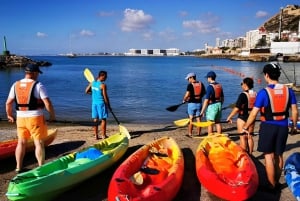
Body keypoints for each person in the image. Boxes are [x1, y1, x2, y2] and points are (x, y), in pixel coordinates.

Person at [242, 63, 298, 190]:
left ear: (266, 75)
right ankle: (276, 182)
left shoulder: (263, 93)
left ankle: (271, 185)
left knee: (268, 156)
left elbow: (253, 114)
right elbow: (294, 111)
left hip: (268, 127)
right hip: (283, 126)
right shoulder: (289, 91)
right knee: (279, 155)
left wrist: (246, 127)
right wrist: (294, 127)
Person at [6, 64, 56, 173]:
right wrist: (52, 116)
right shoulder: (38, 85)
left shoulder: (15, 85)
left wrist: (9, 115)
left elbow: (8, 103)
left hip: (20, 118)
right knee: (39, 143)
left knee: (21, 143)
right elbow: (47, 103)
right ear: (33, 73)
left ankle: (18, 167)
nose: (38, 75)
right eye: (37, 73)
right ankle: (41, 167)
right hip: (35, 118)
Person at [226, 77, 257, 154]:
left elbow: (237, 108)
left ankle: (244, 155)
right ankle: (250, 154)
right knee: (250, 137)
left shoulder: (242, 95)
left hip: (243, 118)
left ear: (245, 84)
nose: (241, 85)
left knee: (242, 137)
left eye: (242, 84)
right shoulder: (255, 94)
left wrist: (229, 117)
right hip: (252, 118)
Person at [85, 70, 111, 140]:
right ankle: (103, 135)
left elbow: (86, 91)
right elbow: (105, 97)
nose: (106, 78)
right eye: (105, 77)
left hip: (94, 104)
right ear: (101, 76)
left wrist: (93, 93)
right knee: (103, 119)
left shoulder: (92, 83)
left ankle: (96, 136)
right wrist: (108, 105)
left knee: (95, 119)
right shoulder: (103, 85)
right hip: (101, 104)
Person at [182, 72, 206, 137]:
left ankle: (190, 134)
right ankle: (199, 133)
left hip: (191, 104)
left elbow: (187, 94)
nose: (188, 80)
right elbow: (204, 93)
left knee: (191, 118)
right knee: (198, 119)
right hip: (199, 104)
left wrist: (184, 100)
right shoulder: (201, 84)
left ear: (192, 77)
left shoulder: (190, 85)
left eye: (188, 79)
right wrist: (199, 97)